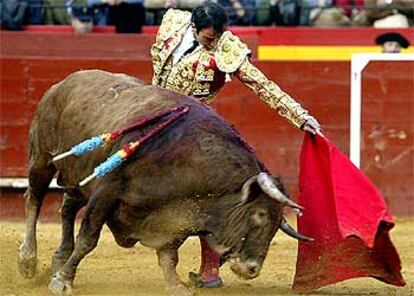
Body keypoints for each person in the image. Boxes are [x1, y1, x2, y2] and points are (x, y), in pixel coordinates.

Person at [150, 1, 321, 288]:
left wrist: (301, 117)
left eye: (218, 37)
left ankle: (209, 271)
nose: (214, 43)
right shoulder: (174, 23)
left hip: (194, 128)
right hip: (154, 118)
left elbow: (262, 85)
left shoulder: (227, 48)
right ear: (194, 28)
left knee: (211, 195)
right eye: (208, 39)